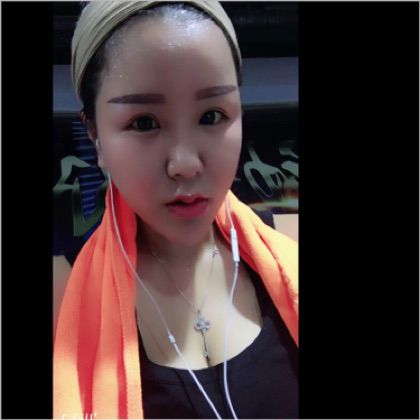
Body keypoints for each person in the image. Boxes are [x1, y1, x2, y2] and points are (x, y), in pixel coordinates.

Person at [53, 1, 298, 419]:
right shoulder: (61, 301)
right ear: (94, 134)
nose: (185, 164)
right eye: (144, 123)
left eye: (212, 115)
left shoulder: (291, 250)